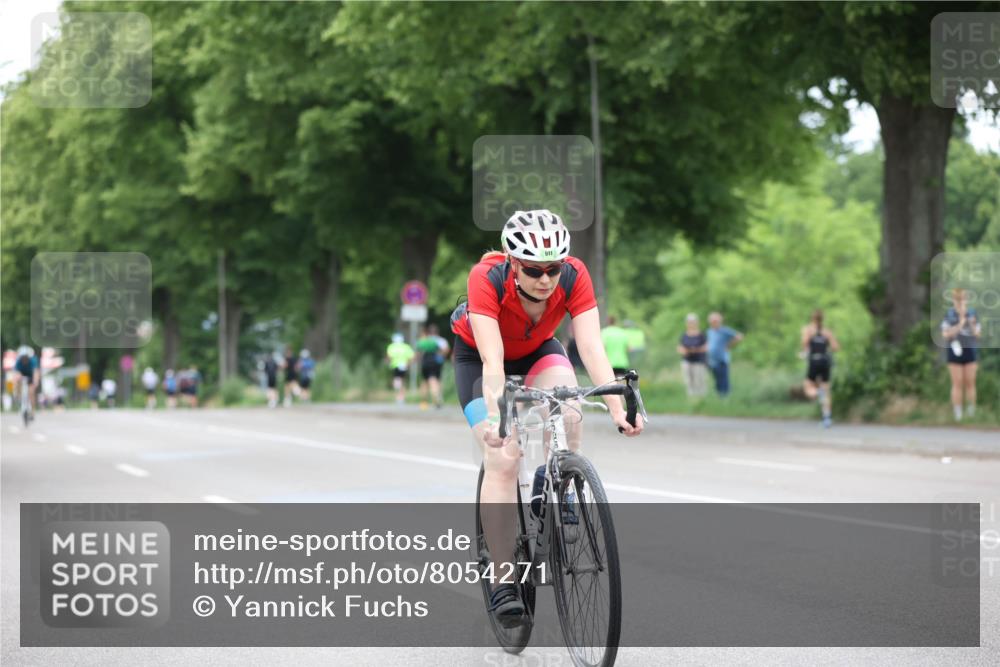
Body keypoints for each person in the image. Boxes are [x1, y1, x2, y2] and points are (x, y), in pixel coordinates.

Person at [449, 209, 643, 628]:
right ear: (512, 263)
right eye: (534, 270)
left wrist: (616, 410)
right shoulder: (486, 278)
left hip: (539, 348)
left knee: (571, 410)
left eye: (552, 269)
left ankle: (552, 485)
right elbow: (493, 359)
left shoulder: (574, 275)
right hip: (482, 359)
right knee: (503, 457)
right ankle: (503, 580)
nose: (545, 279)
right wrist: (500, 422)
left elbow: (590, 348)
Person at [941, 288, 981, 421]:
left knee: (970, 382)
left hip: (970, 350)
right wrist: (960, 323)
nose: (960, 302)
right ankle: (957, 413)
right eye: (958, 299)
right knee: (957, 382)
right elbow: (946, 335)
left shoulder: (973, 314)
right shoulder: (949, 314)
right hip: (954, 350)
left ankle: (971, 412)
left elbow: (977, 334)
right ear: (953, 300)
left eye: (963, 299)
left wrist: (969, 321)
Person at [800, 309, 840, 428]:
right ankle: (827, 418)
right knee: (826, 391)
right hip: (825, 361)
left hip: (814, 361)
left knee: (808, 388)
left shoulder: (808, 330)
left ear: (812, 318)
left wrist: (805, 352)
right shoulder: (827, 332)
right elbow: (835, 347)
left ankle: (818, 393)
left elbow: (804, 344)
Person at [706, 312, 743, 397]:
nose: (714, 323)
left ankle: (725, 397)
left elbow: (739, 336)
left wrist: (729, 345)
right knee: (717, 380)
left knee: (724, 380)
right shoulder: (710, 331)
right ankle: (719, 397)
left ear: (720, 321)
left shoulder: (724, 330)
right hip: (712, 360)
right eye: (712, 321)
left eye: (715, 321)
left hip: (722, 360)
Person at [415, 324, 450, 409]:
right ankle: (437, 399)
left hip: (425, 363)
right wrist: (441, 357)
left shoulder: (424, 340)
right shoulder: (440, 341)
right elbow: (445, 350)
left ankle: (423, 402)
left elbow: (418, 353)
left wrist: (416, 360)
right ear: (437, 332)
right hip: (436, 363)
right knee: (435, 380)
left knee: (425, 382)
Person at [677, 313, 708, 397]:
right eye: (689, 322)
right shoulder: (684, 335)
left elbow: (706, 347)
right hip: (687, 360)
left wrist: (695, 350)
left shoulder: (701, 334)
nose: (691, 323)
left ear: (696, 322)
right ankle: (691, 397)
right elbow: (680, 347)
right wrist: (685, 351)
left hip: (699, 361)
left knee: (699, 380)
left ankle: (701, 397)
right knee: (688, 380)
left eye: (693, 321)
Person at [385, 333, 414, 405]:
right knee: (402, 381)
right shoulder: (406, 347)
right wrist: (408, 364)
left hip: (395, 366)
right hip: (404, 366)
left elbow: (389, 357)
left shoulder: (391, 346)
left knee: (397, 380)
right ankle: (401, 397)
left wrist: (388, 362)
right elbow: (411, 357)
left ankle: (399, 396)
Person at [13, 345, 40, 414]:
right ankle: (19, 397)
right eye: (23, 358)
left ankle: (32, 410)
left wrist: (35, 381)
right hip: (22, 375)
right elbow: (16, 372)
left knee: (31, 392)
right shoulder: (18, 361)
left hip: (31, 376)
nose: (24, 359)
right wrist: (16, 381)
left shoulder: (33, 361)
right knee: (17, 381)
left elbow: (35, 372)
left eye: (26, 358)